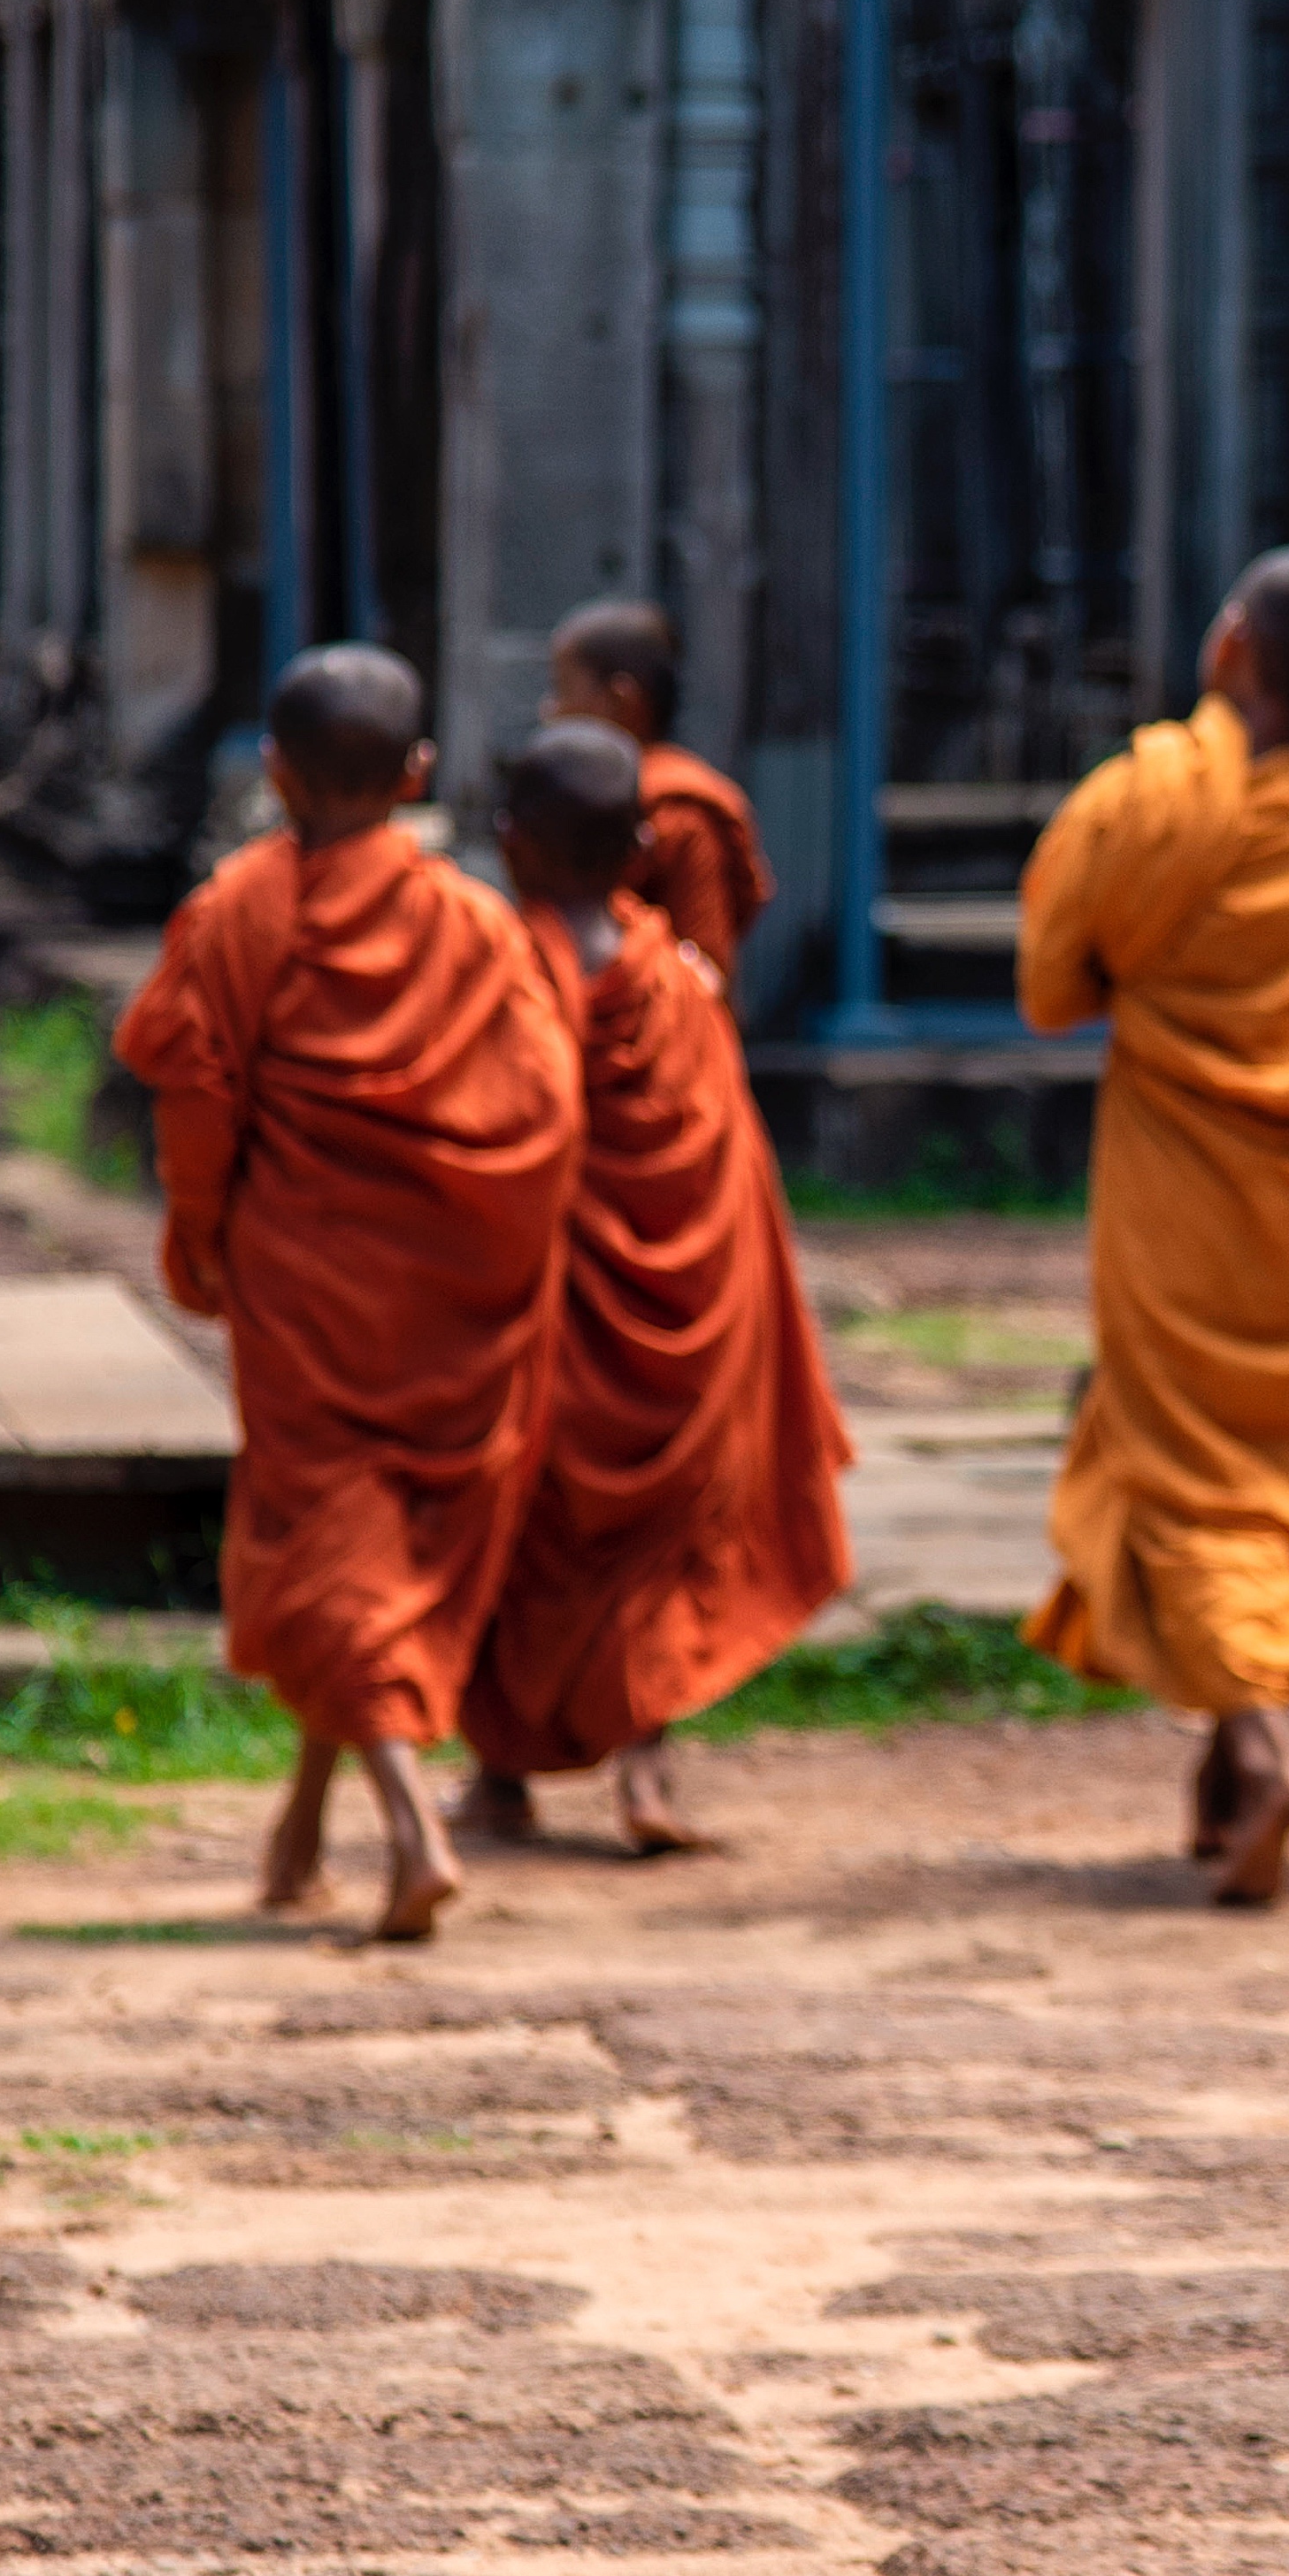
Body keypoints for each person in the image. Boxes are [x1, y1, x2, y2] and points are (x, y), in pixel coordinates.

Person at [111, 644, 584, 1943]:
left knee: (327, 1540)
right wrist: (492, 1248)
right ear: (419, 775)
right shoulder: (477, 924)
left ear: (272, 774)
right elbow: (546, 1109)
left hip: (307, 1281)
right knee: (358, 1553)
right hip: (446, 1291)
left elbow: (194, 1097)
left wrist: (202, 1239)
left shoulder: (235, 912)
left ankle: (410, 1825)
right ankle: (302, 1829)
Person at [1021, 549, 1289, 1909]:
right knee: (1262, 1477)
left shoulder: (1145, 799)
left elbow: (1048, 987)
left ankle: (1257, 1743)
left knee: (1190, 1469)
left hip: (1184, 1199)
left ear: (1229, 648)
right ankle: (1220, 1768)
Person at [456, 722, 854, 1855]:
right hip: (678, 1330)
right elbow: (734, 1178)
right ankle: (644, 1774)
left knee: (524, 1525)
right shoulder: (677, 986)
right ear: (638, 844)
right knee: (656, 1547)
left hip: (540, 1324)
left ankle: (498, 1777)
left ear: (509, 842)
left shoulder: (496, 972)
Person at [547, 599, 773, 1009]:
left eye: (564, 689)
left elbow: (706, 973)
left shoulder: (681, 813)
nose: (551, 710)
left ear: (621, 700)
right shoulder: (576, 797)